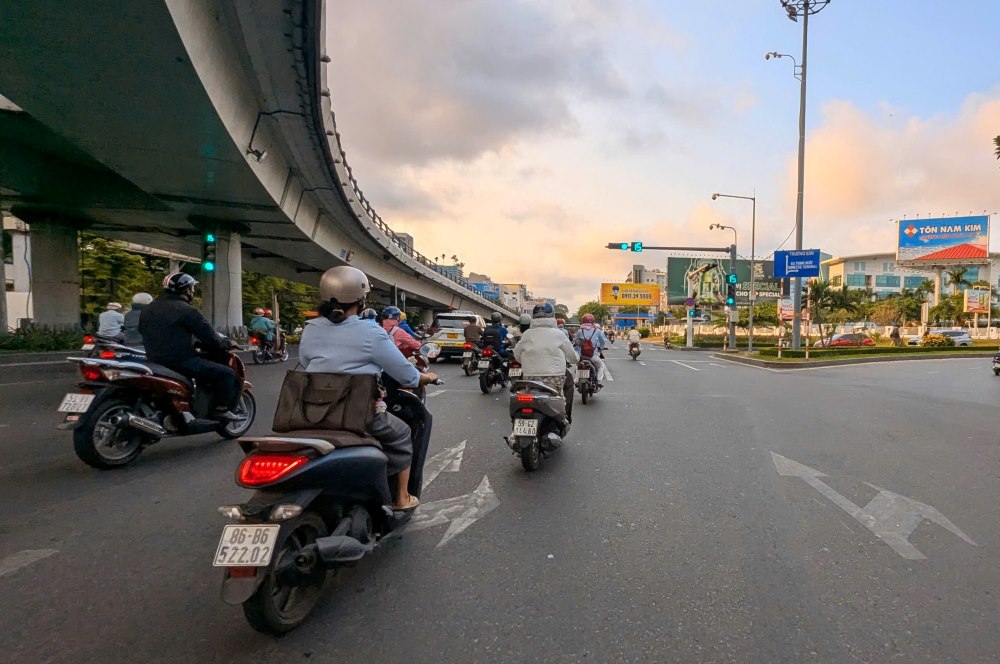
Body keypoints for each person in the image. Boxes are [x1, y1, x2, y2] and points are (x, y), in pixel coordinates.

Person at [299, 266, 438, 511]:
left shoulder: (311, 328)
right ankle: (402, 498)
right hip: (357, 412)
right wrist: (425, 378)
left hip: (310, 411)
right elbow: (406, 374)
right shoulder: (371, 331)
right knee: (403, 433)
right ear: (361, 299)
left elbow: (307, 362)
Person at [138, 273, 240, 419]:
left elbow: (145, 330)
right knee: (226, 374)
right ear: (186, 290)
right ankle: (219, 409)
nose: (193, 291)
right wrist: (227, 344)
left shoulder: (148, 309)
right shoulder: (187, 310)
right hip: (180, 361)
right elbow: (210, 337)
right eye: (192, 288)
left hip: (153, 359)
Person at [513, 302, 578, 434]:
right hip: (554, 377)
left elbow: (517, 356)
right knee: (568, 385)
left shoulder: (527, 334)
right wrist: (575, 359)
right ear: (552, 316)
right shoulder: (559, 334)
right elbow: (573, 357)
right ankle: (566, 418)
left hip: (529, 377)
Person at [575, 313, 608, 385]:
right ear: (593, 321)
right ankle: (599, 381)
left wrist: (577, 351)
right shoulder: (597, 331)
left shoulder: (580, 331)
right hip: (593, 355)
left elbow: (577, 342)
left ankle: (576, 380)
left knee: (578, 366)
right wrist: (602, 347)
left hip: (582, 355)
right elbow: (603, 341)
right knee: (601, 365)